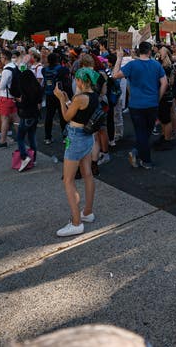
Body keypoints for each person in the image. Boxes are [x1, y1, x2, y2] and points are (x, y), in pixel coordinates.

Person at [53, 68, 100, 237]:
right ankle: (87, 213)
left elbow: (66, 117)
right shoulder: (93, 95)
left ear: (80, 81)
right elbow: (76, 113)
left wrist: (60, 98)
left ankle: (76, 222)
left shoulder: (80, 98)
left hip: (76, 138)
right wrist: (66, 99)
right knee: (87, 174)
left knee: (68, 180)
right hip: (87, 137)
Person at [113, 42, 167, 169]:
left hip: (136, 105)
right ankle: (144, 159)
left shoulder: (132, 65)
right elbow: (164, 83)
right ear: (149, 52)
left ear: (139, 52)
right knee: (146, 133)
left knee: (141, 132)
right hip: (152, 104)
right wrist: (157, 98)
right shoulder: (156, 65)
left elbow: (115, 75)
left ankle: (138, 153)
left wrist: (119, 58)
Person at [0, 50, 20, 149]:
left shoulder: (6, 70)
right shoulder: (14, 66)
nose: (0, 59)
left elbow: (2, 87)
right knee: (16, 118)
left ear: (4, 57)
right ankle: (21, 137)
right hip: (13, 97)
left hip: (5, 97)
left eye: (1, 57)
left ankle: (3, 141)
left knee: (4, 119)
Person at [42, 52, 72, 145]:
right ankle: (65, 137)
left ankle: (47, 137)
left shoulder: (44, 70)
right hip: (60, 95)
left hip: (49, 94)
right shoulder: (62, 69)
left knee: (49, 116)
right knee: (63, 115)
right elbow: (68, 76)